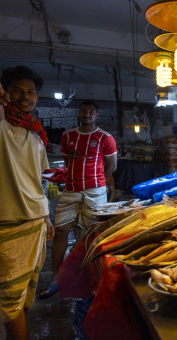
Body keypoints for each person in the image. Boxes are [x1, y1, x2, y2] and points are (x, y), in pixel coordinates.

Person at [38, 100, 117, 299]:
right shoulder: (68, 136)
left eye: (92, 111)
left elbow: (112, 166)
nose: (87, 114)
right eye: (83, 110)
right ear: (79, 113)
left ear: (97, 115)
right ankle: (56, 279)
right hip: (71, 190)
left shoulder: (105, 137)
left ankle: (88, 278)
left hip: (95, 191)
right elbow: (68, 162)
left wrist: (97, 182)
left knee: (90, 234)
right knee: (61, 231)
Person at [0, 66, 55, 340]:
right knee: (10, 302)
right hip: (8, 224)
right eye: (17, 91)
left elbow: (42, 179)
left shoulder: (35, 135)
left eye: (30, 92)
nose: (25, 97)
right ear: (5, 94)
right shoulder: (2, 126)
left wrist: (46, 216)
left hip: (35, 222)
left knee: (22, 295)